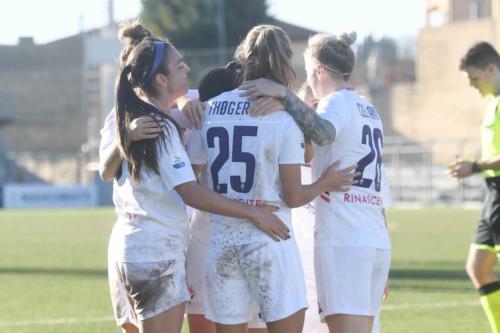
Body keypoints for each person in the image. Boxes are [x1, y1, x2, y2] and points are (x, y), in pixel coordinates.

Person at [107, 21, 290, 333]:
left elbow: (105, 169)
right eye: (180, 66)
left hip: (132, 246)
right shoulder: (160, 127)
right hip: (156, 252)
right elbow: (190, 191)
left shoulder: (132, 113)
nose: (188, 68)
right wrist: (254, 212)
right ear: (161, 78)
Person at [188, 24, 357, 333]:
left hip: (222, 242)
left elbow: (193, 185)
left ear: (243, 57)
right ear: (285, 61)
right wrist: (324, 183)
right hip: (271, 239)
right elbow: (293, 196)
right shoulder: (283, 117)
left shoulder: (208, 110)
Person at [238, 32, 392, 333]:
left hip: (344, 239)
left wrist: (284, 96)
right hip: (374, 240)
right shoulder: (368, 108)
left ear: (318, 70)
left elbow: (322, 133)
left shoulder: (335, 102)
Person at [186, 62, 268, 333]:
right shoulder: (263, 117)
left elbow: (193, 179)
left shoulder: (205, 118)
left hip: (207, 233)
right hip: (254, 232)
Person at [449, 41, 500, 333]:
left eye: (474, 77)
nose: (471, 85)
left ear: (491, 68)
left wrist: (477, 166)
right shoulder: (493, 101)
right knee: (478, 267)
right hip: (493, 196)